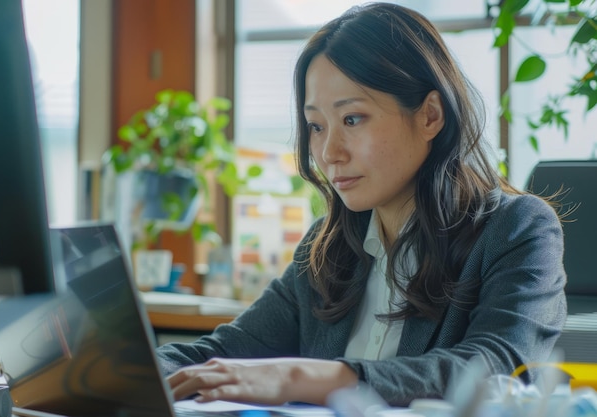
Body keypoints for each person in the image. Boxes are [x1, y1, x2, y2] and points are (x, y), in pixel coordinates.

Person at [156, 2, 567, 408]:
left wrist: (302, 377)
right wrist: (125, 368)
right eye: (316, 126)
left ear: (430, 116)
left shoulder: (518, 229)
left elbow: (498, 370)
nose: (330, 152)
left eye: (352, 119)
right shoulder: (325, 248)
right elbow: (222, 353)